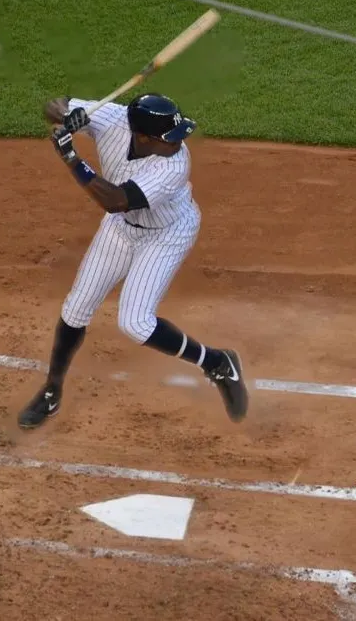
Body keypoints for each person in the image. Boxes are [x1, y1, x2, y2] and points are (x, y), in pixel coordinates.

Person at [18, 92, 248, 429]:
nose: (178, 143)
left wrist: (71, 156)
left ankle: (216, 362)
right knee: (75, 309)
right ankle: (52, 391)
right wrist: (66, 116)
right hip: (121, 230)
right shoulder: (112, 118)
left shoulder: (174, 163)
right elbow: (53, 104)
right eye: (168, 138)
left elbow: (116, 200)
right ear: (141, 136)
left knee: (135, 323)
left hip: (166, 233)